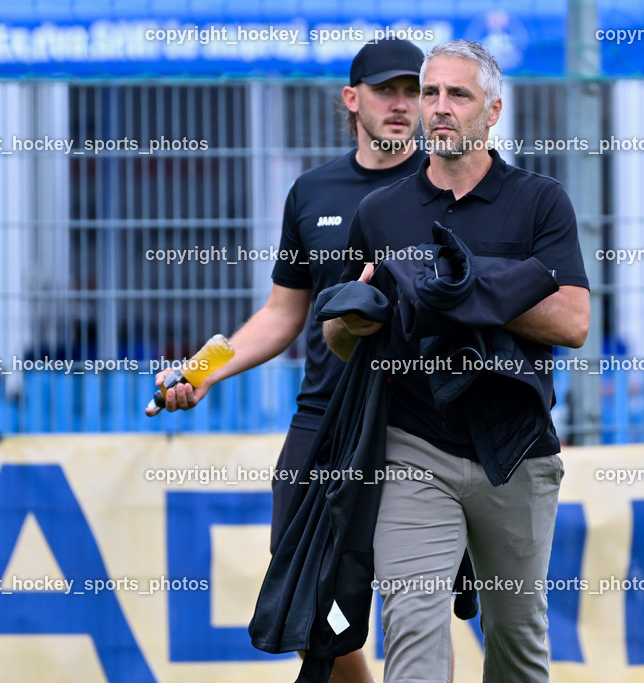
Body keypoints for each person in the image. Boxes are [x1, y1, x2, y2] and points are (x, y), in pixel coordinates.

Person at [148, 37, 426, 682]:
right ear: (351, 100)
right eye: (387, 90)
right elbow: (281, 313)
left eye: (414, 91)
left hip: (420, 416)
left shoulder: (444, 184)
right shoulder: (312, 191)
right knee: (308, 596)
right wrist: (199, 371)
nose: (402, 104)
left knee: (418, 608)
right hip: (325, 415)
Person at [323, 39, 590, 682]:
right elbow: (337, 336)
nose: (438, 108)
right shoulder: (380, 212)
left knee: (516, 638)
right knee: (413, 620)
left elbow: (574, 322)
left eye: (458, 95)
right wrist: (358, 318)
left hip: (516, 450)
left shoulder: (540, 201)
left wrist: (468, 291)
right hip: (413, 446)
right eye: (430, 93)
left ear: (492, 111)